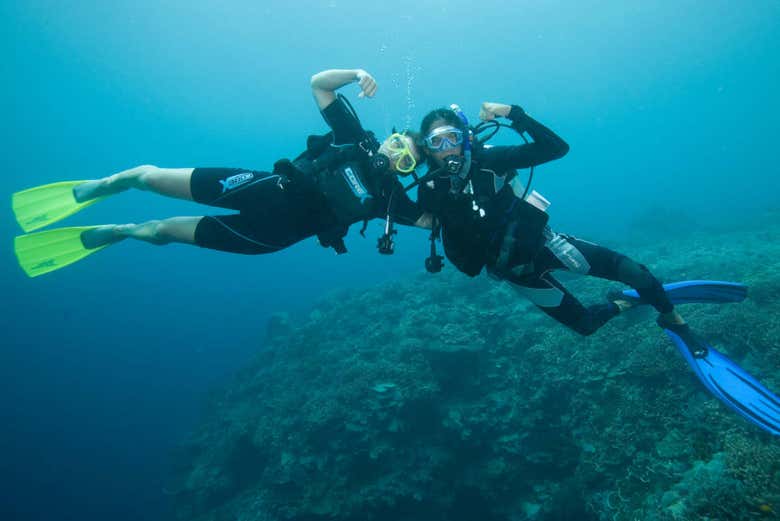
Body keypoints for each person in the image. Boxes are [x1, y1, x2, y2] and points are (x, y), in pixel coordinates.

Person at [413, 101, 780, 436]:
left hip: (547, 246)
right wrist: (380, 165)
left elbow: (556, 149)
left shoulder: (493, 160)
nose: (447, 149)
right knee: (586, 325)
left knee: (638, 272)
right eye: (436, 142)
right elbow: (394, 210)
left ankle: (675, 322)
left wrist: (514, 113)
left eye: (453, 138)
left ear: (466, 139)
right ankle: (625, 303)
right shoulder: (429, 188)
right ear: (426, 149)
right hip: (516, 273)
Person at [12, 68, 426, 277]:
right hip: (257, 190)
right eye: (396, 146)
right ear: (386, 139)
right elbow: (320, 84)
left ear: (408, 171)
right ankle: (106, 185)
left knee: (160, 232)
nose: (393, 159)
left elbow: (435, 218)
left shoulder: (394, 201)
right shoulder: (353, 138)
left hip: (269, 237)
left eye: (405, 161)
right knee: (148, 177)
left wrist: (465, 170)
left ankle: (118, 231)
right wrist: (356, 73)